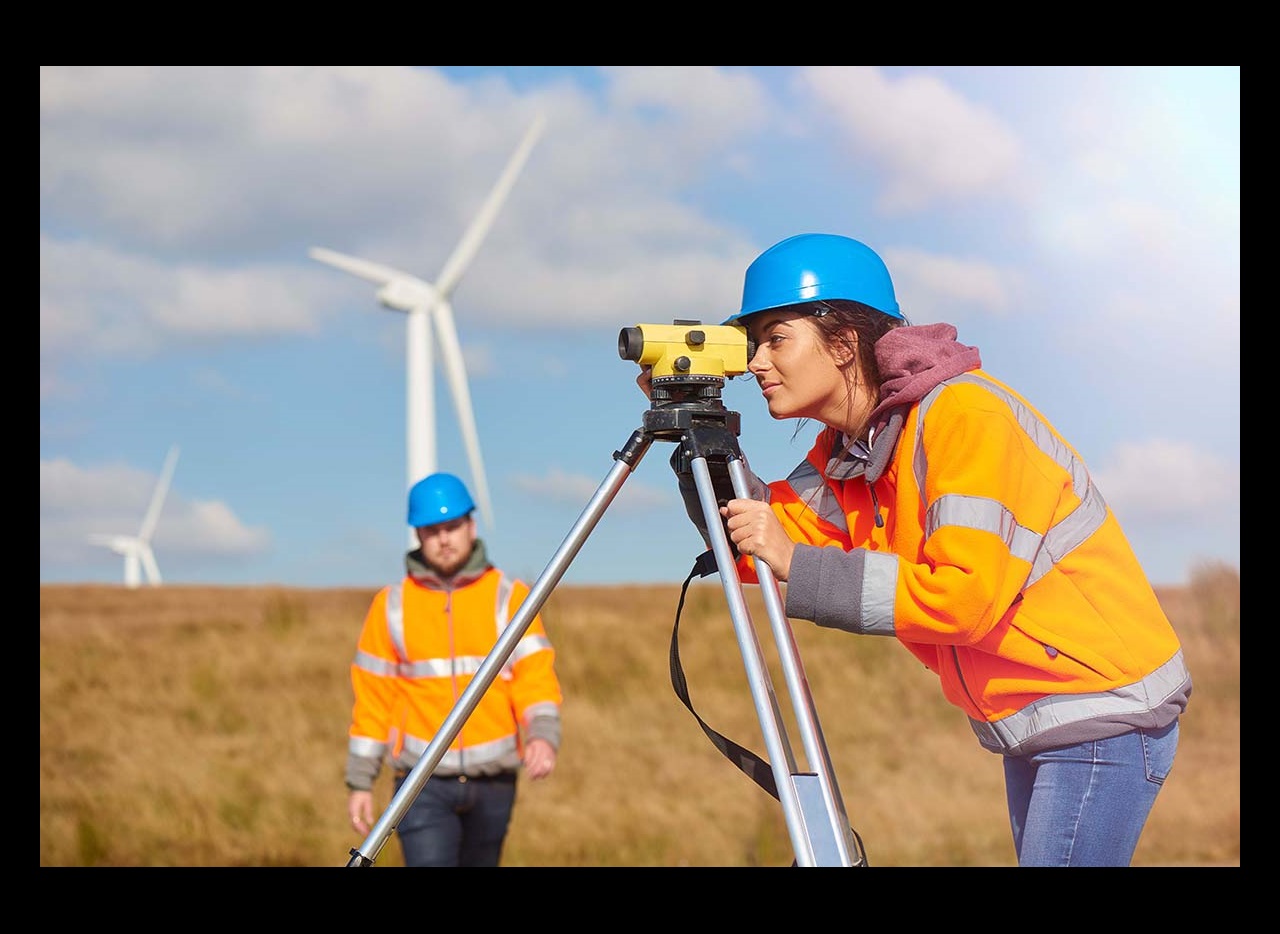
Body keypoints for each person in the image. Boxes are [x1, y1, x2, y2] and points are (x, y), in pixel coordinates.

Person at [636, 232, 1192, 867]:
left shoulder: (963, 418)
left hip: (1101, 707)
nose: (757, 362)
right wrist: (698, 452)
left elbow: (963, 598)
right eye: (752, 343)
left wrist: (797, 561)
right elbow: (762, 547)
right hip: (1036, 717)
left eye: (776, 338)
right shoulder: (857, 452)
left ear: (844, 342)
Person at [344, 472, 563, 867]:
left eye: (452, 526)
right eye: (432, 530)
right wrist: (361, 781)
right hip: (419, 785)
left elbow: (535, 677)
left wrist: (542, 736)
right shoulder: (390, 606)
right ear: (418, 535)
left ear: (471, 525)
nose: (444, 538)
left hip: (494, 783)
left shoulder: (509, 597)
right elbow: (373, 701)